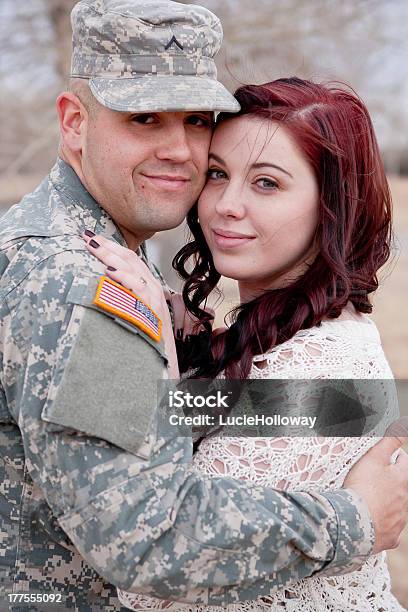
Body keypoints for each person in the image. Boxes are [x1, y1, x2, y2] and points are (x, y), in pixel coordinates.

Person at [1, 0, 407, 609]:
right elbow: (146, 541)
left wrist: (173, 363)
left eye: (196, 121)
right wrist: (356, 518)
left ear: (331, 207)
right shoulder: (87, 285)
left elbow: (337, 405)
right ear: (74, 122)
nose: (180, 153)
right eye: (143, 118)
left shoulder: (74, 250)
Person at [83, 78, 407, 611]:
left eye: (266, 184)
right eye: (216, 174)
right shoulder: (286, 330)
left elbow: (151, 587)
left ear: (332, 207)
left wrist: (157, 345)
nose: (226, 206)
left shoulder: (317, 366)